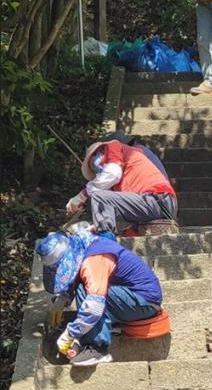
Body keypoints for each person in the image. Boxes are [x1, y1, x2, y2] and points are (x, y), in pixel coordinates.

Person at [36, 230, 164, 366]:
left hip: (145, 303)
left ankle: (97, 348)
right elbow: (78, 277)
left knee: (87, 291)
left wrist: (70, 333)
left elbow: (94, 307)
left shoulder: (94, 259)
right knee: (86, 290)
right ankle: (94, 335)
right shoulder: (84, 246)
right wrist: (62, 300)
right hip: (128, 299)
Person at [65, 139, 178, 235]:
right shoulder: (121, 180)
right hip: (155, 205)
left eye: (93, 165)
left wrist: (82, 195)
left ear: (99, 151)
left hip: (158, 200)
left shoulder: (113, 146)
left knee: (99, 197)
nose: (96, 171)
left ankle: (105, 242)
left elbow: (113, 173)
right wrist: (94, 228)